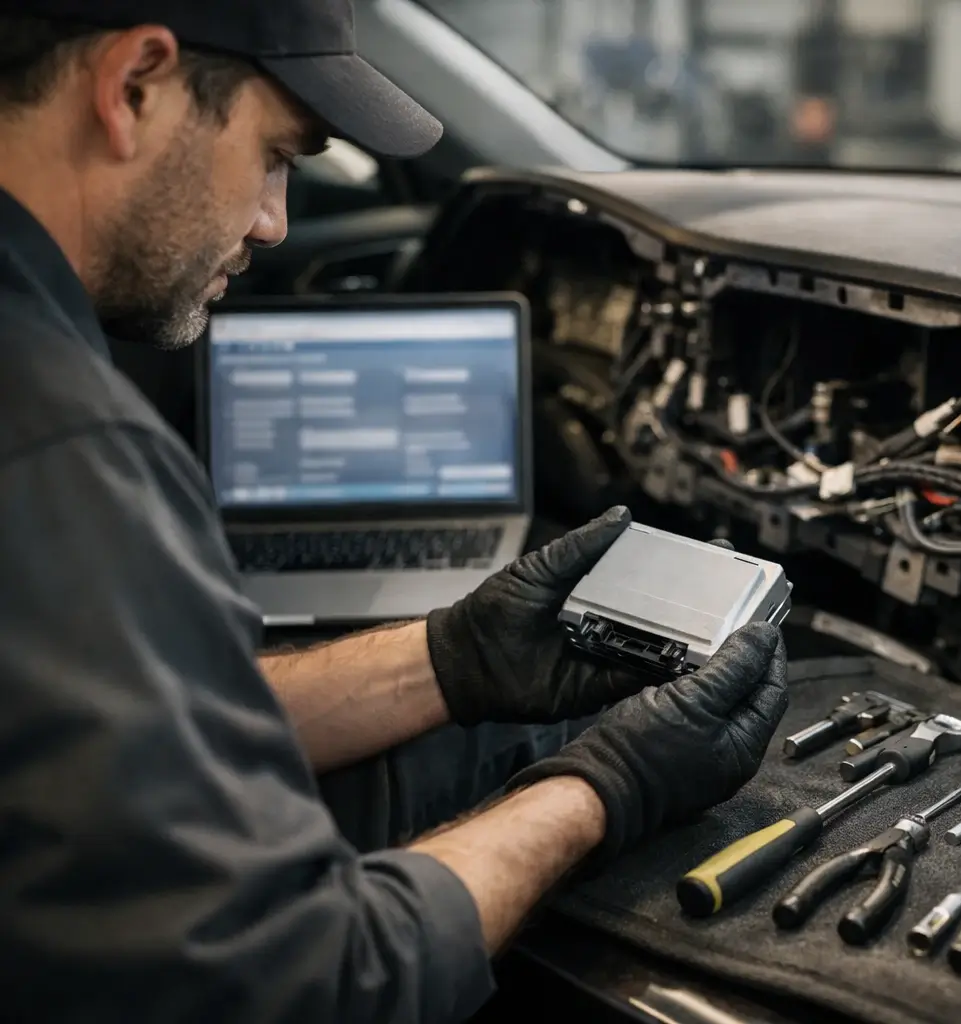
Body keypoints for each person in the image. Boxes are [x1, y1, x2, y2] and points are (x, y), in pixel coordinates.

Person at [0, 2, 790, 1021]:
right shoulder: (60, 445)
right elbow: (309, 985)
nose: (275, 220)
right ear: (136, 85)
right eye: (279, 154)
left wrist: (451, 658)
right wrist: (602, 788)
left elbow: (146, 731)